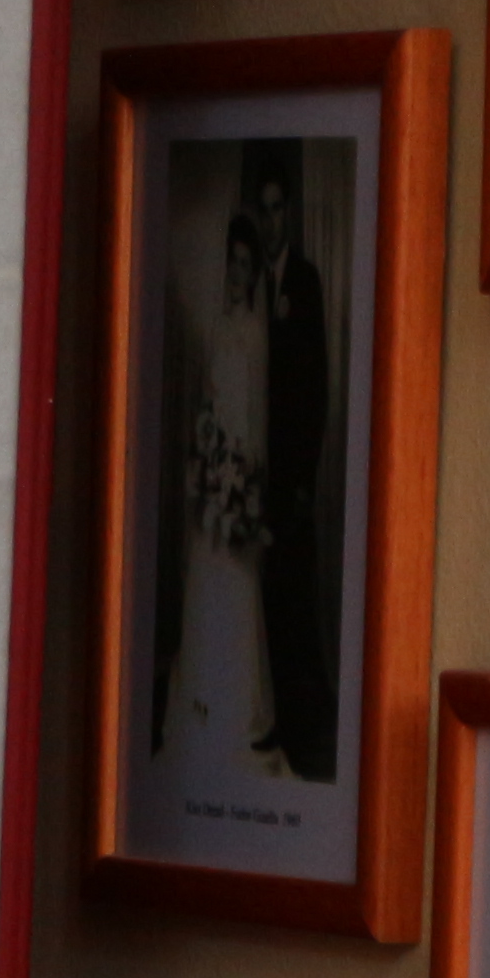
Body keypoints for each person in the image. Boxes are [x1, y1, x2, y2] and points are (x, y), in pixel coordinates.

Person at [159, 210, 278, 776]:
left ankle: (234, 705)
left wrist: (244, 480)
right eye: (232, 262)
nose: (236, 273)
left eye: (245, 265)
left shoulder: (254, 332)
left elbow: (254, 415)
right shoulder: (215, 324)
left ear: (254, 275)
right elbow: (207, 401)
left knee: (234, 580)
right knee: (205, 577)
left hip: (239, 472)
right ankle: (201, 699)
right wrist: (206, 458)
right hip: (214, 468)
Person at [248, 152, 340, 782]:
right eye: (265, 211)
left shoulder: (304, 280)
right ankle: (274, 717)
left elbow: (317, 385)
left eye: (280, 209)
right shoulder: (251, 279)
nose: (273, 221)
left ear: (290, 213)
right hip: (257, 475)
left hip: (293, 480)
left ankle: (306, 729)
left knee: (295, 600)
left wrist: (305, 478)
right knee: (265, 601)